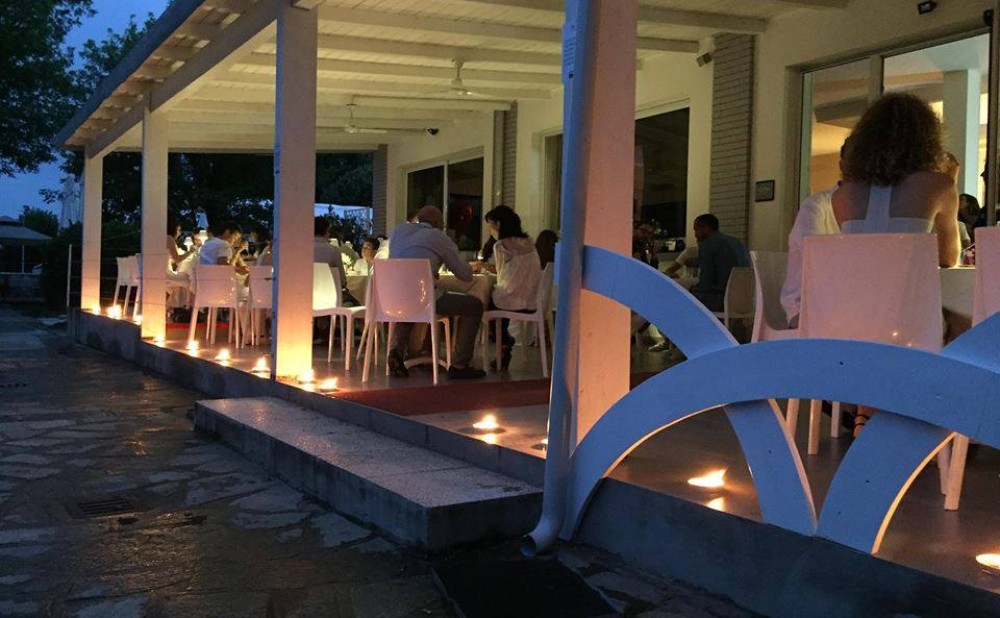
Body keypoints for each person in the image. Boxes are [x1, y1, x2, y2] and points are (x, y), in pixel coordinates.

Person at [832, 92, 960, 436]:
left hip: (849, 325)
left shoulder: (842, 195)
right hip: (910, 327)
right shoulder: (938, 184)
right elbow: (948, 257)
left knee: (881, 318)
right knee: (960, 320)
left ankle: (867, 413)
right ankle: (939, 420)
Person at [388, 206, 485, 379]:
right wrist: (470, 267)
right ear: (438, 223)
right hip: (425, 299)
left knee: (409, 303)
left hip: (394, 298)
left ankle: (397, 350)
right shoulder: (438, 237)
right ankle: (460, 365)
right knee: (474, 305)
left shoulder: (399, 231)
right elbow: (465, 275)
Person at [780, 141, 848, 327]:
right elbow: (818, 261)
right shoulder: (816, 207)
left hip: (843, 304)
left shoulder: (872, 211)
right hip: (804, 306)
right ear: (843, 166)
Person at [474, 206, 541, 370]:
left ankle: (502, 343)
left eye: (490, 225)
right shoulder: (529, 242)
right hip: (532, 301)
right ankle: (504, 344)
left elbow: (500, 272)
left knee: (486, 301)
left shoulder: (501, 245)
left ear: (498, 224)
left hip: (513, 299)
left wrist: (479, 266)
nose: (489, 230)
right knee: (497, 297)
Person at [689, 214, 749, 312]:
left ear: (706, 228)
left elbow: (705, 283)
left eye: (696, 230)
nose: (695, 234)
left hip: (721, 299)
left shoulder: (707, 245)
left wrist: (692, 289)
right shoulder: (737, 243)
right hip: (745, 300)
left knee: (682, 298)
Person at [314, 217, 349, 295]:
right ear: (327, 231)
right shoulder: (333, 250)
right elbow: (342, 280)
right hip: (327, 292)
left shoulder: (303, 249)